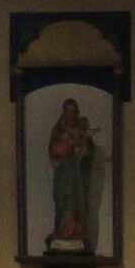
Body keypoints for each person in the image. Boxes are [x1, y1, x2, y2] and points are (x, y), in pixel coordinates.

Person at [46, 96, 99, 251]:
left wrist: (83, 147)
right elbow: (53, 152)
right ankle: (62, 232)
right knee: (63, 201)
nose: (70, 114)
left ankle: (77, 233)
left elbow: (88, 154)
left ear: (76, 112)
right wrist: (67, 144)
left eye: (72, 111)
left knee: (77, 202)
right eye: (67, 111)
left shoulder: (81, 132)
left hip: (77, 175)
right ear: (63, 112)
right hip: (63, 173)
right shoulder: (57, 130)